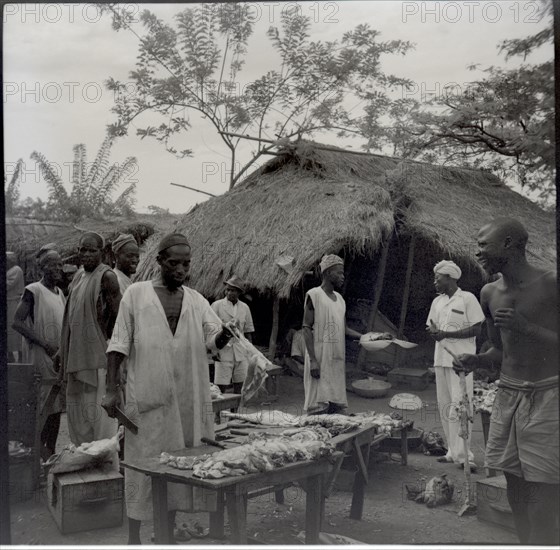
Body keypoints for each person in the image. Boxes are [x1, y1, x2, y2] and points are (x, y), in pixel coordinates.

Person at [101, 232, 235, 545]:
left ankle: (167, 532)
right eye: (174, 263)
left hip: (186, 396)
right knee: (143, 463)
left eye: (186, 264)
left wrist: (225, 335)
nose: (181, 269)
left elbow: (211, 340)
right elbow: (118, 344)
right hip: (146, 393)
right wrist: (110, 390)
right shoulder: (136, 294)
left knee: (176, 465)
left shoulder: (196, 299)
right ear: (160, 261)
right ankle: (135, 536)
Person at [453, 218, 558, 545]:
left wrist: (529, 328)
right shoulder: (488, 293)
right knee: (516, 490)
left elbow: (528, 335)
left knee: (543, 498)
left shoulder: (551, 284)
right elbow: (500, 349)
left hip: (549, 395)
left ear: (509, 244)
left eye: (484, 245)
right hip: (508, 396)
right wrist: (479, 360)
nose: (478, 252)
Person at [58, 232, 121, 456]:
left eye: (91, 250)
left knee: (101, 425)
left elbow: (118, 319)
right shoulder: (77, 277)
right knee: (79, 422)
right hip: (76, 359)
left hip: (97, 361)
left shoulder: (107, 277)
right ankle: (85, 470)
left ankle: (107, 473)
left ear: (102, 252)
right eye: (82, 250)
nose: (85, 254)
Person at [426, 260, 485, 470]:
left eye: (438, 278)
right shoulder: (437, 302)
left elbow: (477, 329)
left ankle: (464, 456)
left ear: (449, 278)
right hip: (441, 359)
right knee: (445, 406)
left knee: (460, 406)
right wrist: (434, 332)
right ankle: (452, 452)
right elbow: (432, 326)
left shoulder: (467, 298)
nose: (435, 282)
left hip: (462, 362)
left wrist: (447, 334)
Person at [12, 248, 66, 459]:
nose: (57, 269)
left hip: (56, 357)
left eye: (60, 265)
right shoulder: (33, 291)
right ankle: (36, 454)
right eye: (53, 264)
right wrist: (45, 344)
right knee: (42, 405)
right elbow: (17, 322)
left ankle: (50, 453)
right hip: (40, 355)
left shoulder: (60, 293)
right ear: (42, 267)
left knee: (55, 407)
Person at [302, 254, 362, 414]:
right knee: (317, 407)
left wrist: (367, 338)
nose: (343, 276)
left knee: (335, 406)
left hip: (335, 359)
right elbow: (306, 328)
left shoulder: (340, 300)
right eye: (339, 273)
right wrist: (313, 360)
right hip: (320, 358)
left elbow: (345, 329)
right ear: (328, 273)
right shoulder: (314, 295)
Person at [211, 275, 255, 394]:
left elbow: (248, 331)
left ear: (239, 292)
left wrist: (249, 350)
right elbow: (211, 330)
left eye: (233, 290)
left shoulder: (245, 308)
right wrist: (214, 350)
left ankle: (234, 411)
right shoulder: (217, 305)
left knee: (240, 385)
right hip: (223, 349)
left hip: (241, 351)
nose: (229, 292)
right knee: (221, 386)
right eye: (227, 289)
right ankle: (218, 412)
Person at [6, 251, 25, 361]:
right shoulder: (9, 270)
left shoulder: (16, 270)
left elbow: (8, 285)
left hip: (14, 304)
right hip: (9, 303)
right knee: (9, 332)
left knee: (14, 331)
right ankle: (10, 356)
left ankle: (20, 357)